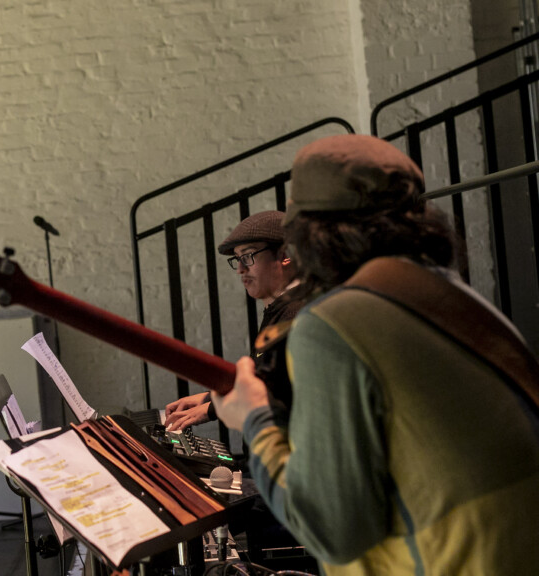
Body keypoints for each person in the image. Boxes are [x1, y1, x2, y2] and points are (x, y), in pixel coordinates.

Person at [211, 134, 539, 574]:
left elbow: (333, 529)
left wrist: (253, 416)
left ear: (310, 237)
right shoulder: (454, 297)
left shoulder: (336, 322)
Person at [165, 210, 300, 432]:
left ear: (284, 254)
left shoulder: (296, 315)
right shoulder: (280, 308)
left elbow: (276, 395)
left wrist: (211, 408)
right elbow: (262, 378)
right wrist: (211, 397)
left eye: (248, 256)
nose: (240, 269)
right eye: (237, 259)